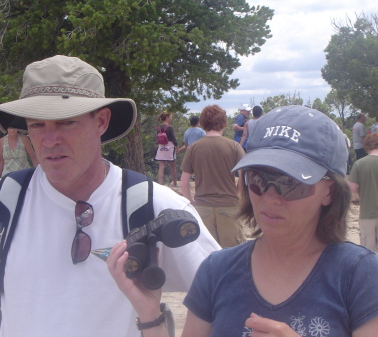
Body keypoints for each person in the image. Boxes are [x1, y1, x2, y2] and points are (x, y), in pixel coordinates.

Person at [0, 55, 220, 337]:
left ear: (101, 122)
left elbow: (225, 292)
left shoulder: (153, 206)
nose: (50, 140)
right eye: (37, 124)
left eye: (67, 122)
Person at [108, 105, 378, 337]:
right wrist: (150, 315)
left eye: (291, 184)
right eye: (258, 180)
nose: (271, 198)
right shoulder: (217, 270)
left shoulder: (359, 275)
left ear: (330, 191)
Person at [180, 105, 246, 247]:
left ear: (202, 124)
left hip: (203, 207)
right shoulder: (234, 146)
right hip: (229, 206)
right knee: (232, 255)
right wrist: (237, 192)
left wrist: (191, 201)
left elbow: (184, 181)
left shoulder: (193, 148)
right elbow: (244, 176)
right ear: (224, 123)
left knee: (207, 255)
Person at [349, 133, 378, 253]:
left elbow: (353, 188)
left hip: (367, 212)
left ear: (367, 146)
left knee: (368, 252)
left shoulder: (359, 164)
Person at [154, 111, 178, 188]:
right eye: (170, 117)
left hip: (161, 147)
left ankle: (160, 185)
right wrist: (177, 146)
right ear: (167, 117)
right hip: (170, 147)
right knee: (173, 167)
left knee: (161, 167)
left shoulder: (158, 127)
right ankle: (175, 184)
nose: (171, 118)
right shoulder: (170, 127)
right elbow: (173, 138)